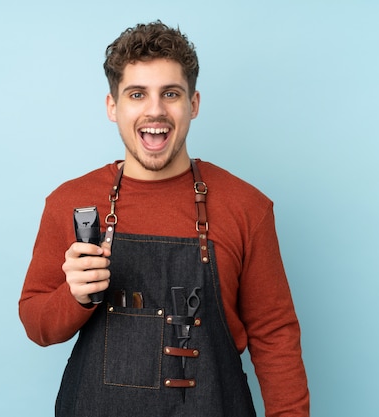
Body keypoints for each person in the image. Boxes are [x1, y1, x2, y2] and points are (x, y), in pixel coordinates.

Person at [19, 21, 310, 417]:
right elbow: (37, 325)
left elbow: (275, 337)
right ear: (112, 107)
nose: (155, 110)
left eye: (170, 93)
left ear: (193, 103)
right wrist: (75, 295)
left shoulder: (247, 207)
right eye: (137, 94)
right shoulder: (69, 202)